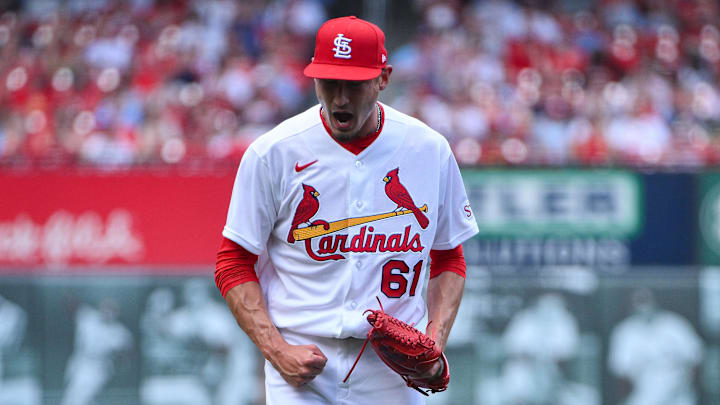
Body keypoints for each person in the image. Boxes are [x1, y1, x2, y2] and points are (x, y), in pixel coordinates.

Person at [215, 15, 479, 404]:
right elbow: (232, 261)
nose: (339, 97)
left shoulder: (429, 149)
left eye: (353, 84)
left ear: (383, 78)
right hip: (301, 364)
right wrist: (276, 351)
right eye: (329, 81)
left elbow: (449, 257)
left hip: (391, 367)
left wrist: (434, 344)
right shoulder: (274, 152)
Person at [608, 288, 703, 405]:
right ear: (632, 304)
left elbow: (695, 358)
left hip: (678, 391)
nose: (644, 306)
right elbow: (620, 372)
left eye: (647, 300)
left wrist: (688, 386)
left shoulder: (675, 324)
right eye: (640, 301)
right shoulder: (625, 331)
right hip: (645, 392)